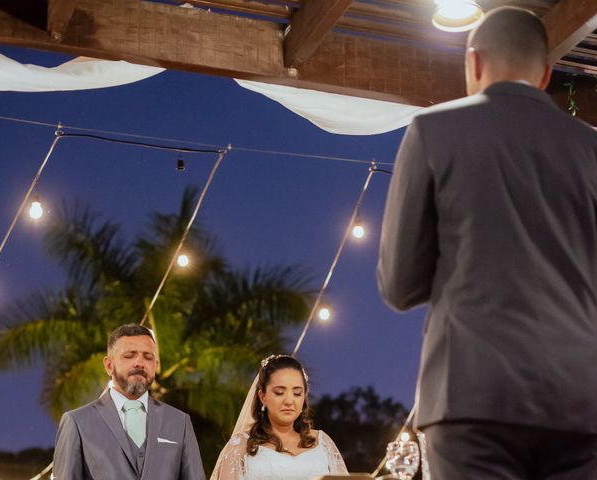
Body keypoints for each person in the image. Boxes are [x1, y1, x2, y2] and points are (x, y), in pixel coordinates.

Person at [377, 6, 597, 479]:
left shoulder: (434, 132)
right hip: (582, 402)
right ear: (545, 75)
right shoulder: (591, 147)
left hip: (470, 393)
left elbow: (399, 284)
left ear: (473, 64)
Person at [53, 324, 206, 480]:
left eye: (148, 357)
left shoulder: (179, 422)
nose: (139, 363)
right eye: (129, 355)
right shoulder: (77, 422)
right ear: (109, 365)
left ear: (156, 365)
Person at [211, 354, 348, 480]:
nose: (289, 401)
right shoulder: (241, 446)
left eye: (297, 393)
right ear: (262, 396)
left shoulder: (322, 443)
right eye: (279, 392)